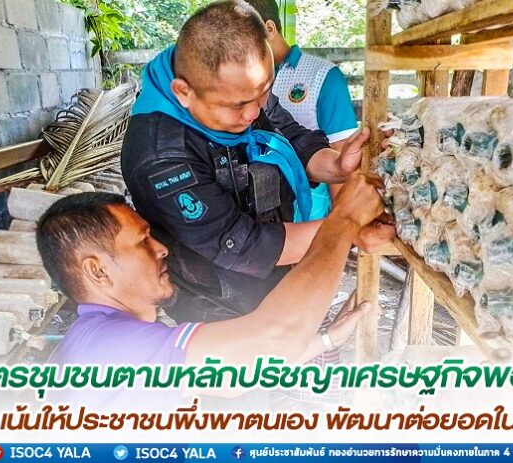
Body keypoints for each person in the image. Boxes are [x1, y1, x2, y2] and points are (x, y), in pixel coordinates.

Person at [121, 0, 392, 324]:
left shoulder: (238, 84)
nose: (253, 113)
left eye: (263, 92)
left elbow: (290, 134)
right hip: (219, 308)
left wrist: (336, 166)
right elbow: (243, 244)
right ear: (183, 92)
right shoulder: (160, 156)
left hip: (278, 277)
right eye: (237, 105)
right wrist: (347, 227)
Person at [38, 173, 394, 408]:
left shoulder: (103, 337)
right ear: (98, 270)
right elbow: (272, 338)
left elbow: (235, 375)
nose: (161, 249)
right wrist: (344, 221)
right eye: (142, 241)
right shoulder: (114, 347)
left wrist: (328, 339)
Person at [247, 0, 359, 221]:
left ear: (269, 28)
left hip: (310, 207)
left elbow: (341, 156)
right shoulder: (241, 76)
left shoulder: (323, 76)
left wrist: (341, 222)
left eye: (244, 36)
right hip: (260, 204)